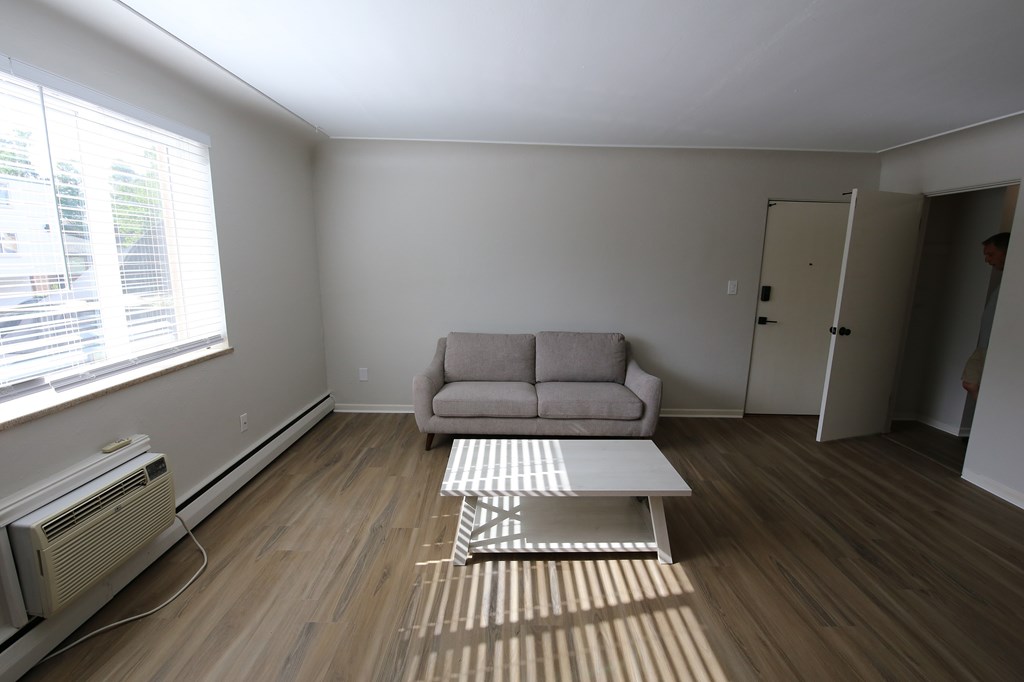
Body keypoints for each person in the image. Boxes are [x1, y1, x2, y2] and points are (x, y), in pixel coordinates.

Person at [961, 231, 1010, 400]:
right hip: (985, 344)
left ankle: (987, 418)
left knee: (974, 382)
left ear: (1006, 252)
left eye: (991, 254)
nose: (987, 259)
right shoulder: (1007, 279)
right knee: (970, 381)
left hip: (997, 346)